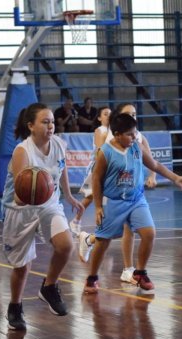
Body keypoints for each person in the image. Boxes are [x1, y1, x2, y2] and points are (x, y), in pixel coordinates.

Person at [80, 113, 182, 295]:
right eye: (129, 134)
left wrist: (175, 178)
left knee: (149, 233)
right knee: (103, 242)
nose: (134, 137)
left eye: (135, 133)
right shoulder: (105, 152)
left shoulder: (137, 147)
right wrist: (99, 206)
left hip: (136, 200)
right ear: (116, 134)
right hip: (114, 201)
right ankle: (92, 277)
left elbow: (155, 165)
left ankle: (140, 273)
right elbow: (96, 179)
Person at [2, 103, 83, 330]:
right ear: (31, 126)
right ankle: (15, 307)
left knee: (66, 245)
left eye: (52, 122)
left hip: (49, 205)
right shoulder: (23, 151)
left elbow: (62, 167)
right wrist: (28, 195)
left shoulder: (58, 144)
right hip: (20, 209)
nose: (50, 126)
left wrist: (68, 195)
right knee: (22, 267)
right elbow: (20, 195)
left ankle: (49, 287)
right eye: (45, 122)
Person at [76, 103, 157, 285]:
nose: (133, 117)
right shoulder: (107, 136)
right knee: (106, 231)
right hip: (110, 184)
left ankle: (129, 270)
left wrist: (153, 175)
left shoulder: (137, 137)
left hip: (131, 192)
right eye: (129, 114)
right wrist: (98, 204)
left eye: (135, 114)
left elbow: (152, 161)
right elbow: (99, 161)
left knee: (132, 230)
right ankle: (88, 237)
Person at [69, 106, 111, 237]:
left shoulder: (113, 131)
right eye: (105, 114)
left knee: (105, 198)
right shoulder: (100, 130)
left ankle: (103, 225)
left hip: (109, 168)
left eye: (110, 114)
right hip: (98, 167)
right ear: (99, 118)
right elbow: (100, 150)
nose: (108, 116)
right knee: (89, 198)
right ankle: (76, 221)